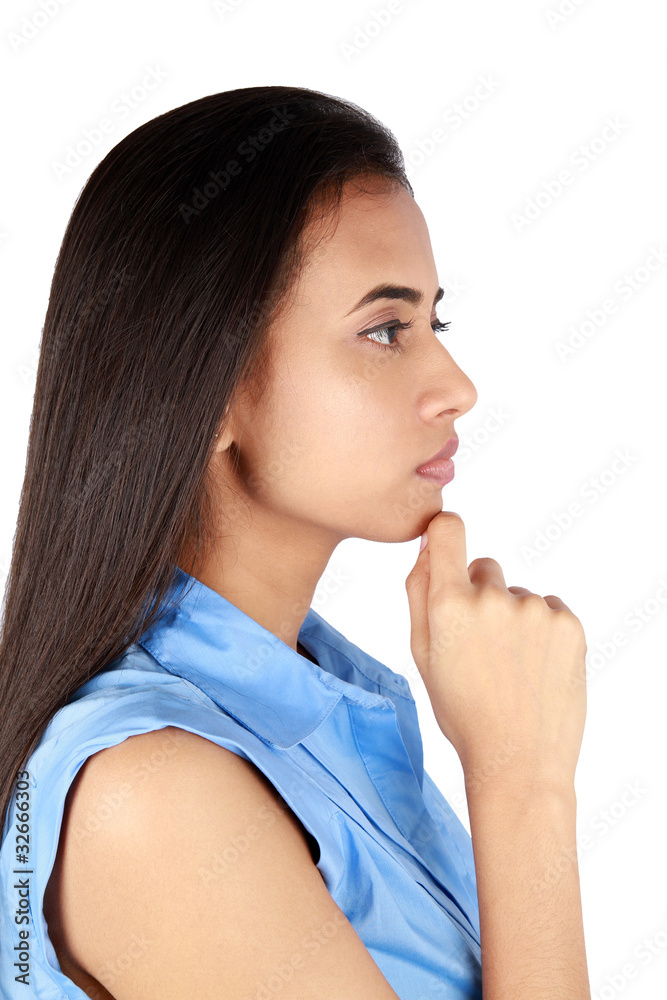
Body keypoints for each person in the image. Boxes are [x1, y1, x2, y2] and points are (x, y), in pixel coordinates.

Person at [0, 86, 590, 999]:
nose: (456, 386)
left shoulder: (324, 707)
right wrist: (524, 782)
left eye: (433, 322)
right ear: (208, 392)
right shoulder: (149, 795)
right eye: (385, 330)